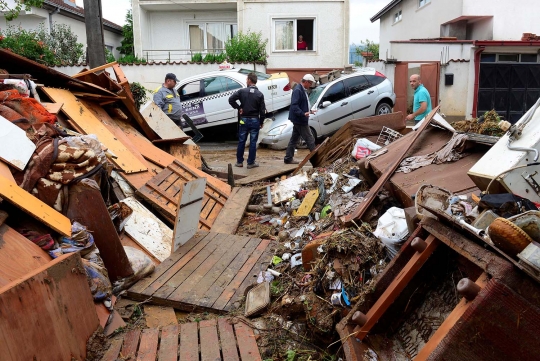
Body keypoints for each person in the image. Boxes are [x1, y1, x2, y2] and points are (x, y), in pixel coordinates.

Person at [228, 72, 266, 169]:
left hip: (243, 120)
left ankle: (239, 162)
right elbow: (262, 110)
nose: (246, 81)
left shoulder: (242, 91)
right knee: (253, 142)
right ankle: (250, 163)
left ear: (249, 80)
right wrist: (261, 122)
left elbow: (231, 99)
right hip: (255, 120)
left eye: (246, 79)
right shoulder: (260, 94)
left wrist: (238, 108)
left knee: (242, 140)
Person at [284, 74, 317, 164]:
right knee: (309, 138)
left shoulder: (301, 89)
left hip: (300, 118)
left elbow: (302, 103)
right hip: (300, 119)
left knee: (294, 139)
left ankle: (288, 158)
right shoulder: (298, 90)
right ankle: (316, 159)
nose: (310, 85)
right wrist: (303, 114)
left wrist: (310, 111)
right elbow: (294, 106)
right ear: (306, 82)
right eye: (310, 83)